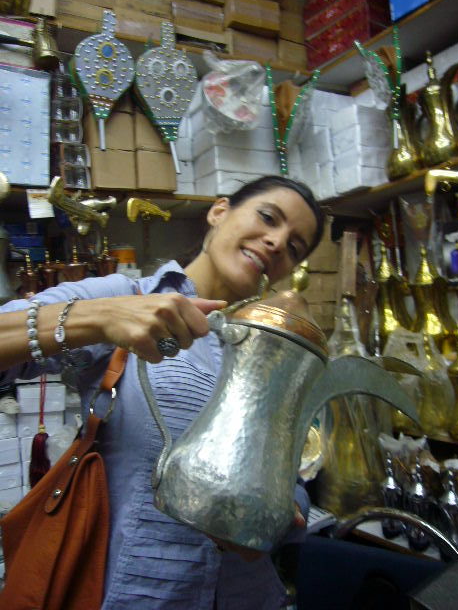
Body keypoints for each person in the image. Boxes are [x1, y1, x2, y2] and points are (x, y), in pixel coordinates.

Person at [0, 175, 324, 609]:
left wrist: (282, 514)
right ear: (219, 211)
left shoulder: (275, 350)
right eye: (268, 218)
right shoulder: (129, 296)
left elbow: (290, 469)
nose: (277, 242)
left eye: (295, 247)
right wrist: (100, 318)